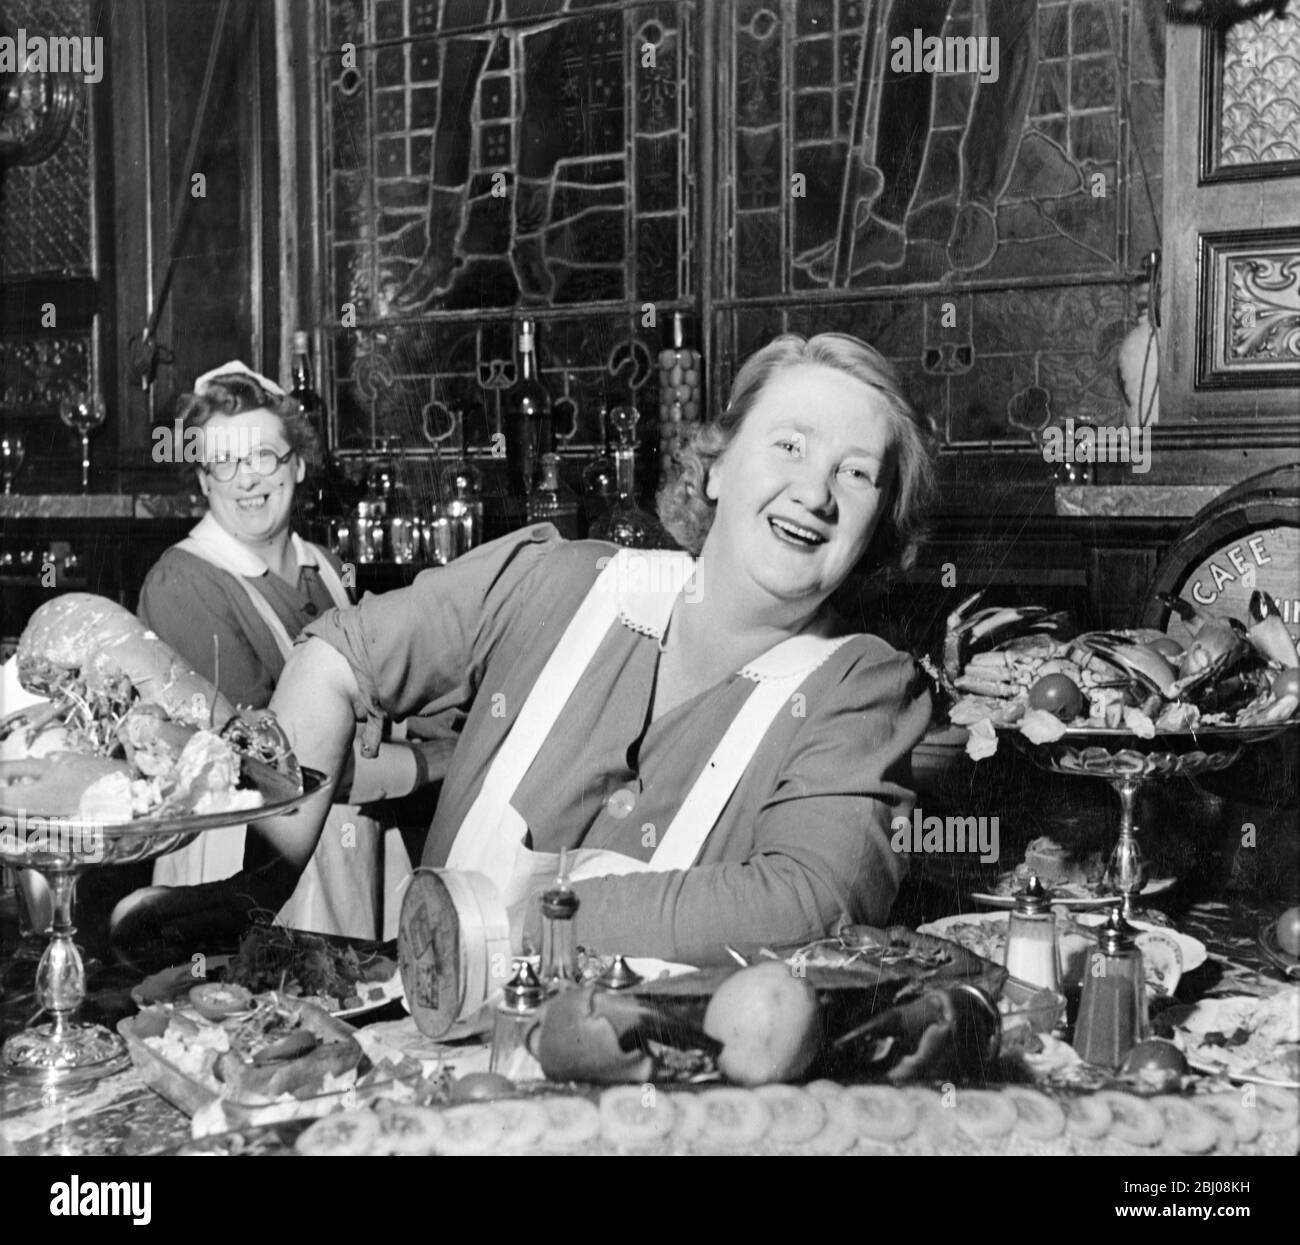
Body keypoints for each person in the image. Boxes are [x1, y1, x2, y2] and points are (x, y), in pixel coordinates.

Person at [115, 334, 935, 966]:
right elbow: (336, 656)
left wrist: (511, 932)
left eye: (857, 473)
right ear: (716, 468)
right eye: (788, 445)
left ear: (875, 527)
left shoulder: (862, 690)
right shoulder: (554, 580)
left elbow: (808, 898)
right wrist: (260, 884)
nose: (815, 491)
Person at [131, 362, 442, 940]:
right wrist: (435, 762)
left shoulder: (321, 565)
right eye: (224, 462)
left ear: (297, 462)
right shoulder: (184, 582)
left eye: (263, 457)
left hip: (345, 848)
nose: (247, 479)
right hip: (243, 862)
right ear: (203, 480)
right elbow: (273, 769)